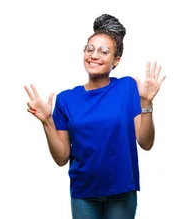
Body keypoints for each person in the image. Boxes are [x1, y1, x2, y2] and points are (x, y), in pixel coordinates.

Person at [24, 14, 166, 219]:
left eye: (104, 51)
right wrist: (47, 121)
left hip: (121, 191)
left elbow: (145, 142)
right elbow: (61, 157)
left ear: (116, 60)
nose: (94, 55)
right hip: (84, 194)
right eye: (89, 49)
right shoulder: (65, 99)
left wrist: (146, 103)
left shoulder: (127, 88)